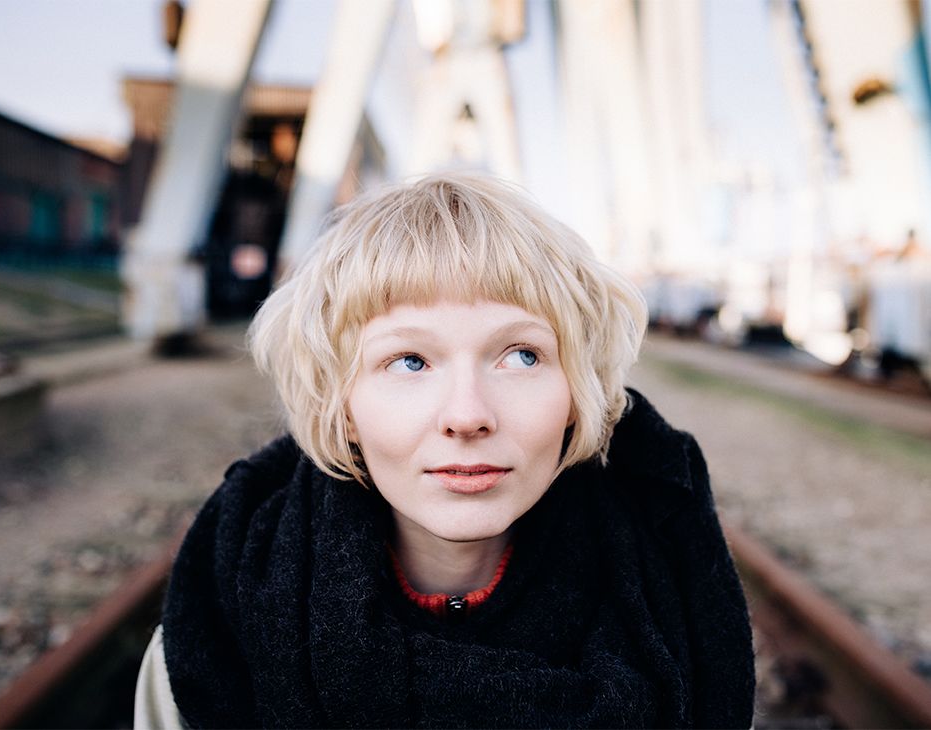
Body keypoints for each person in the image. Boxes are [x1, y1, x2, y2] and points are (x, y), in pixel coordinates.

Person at [134, 173, 755, 728]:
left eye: (522, 356)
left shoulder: (685, 621)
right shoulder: (209, 639)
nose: (467, 416)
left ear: (577, 392)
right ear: (341, 405)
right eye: (410, 361)